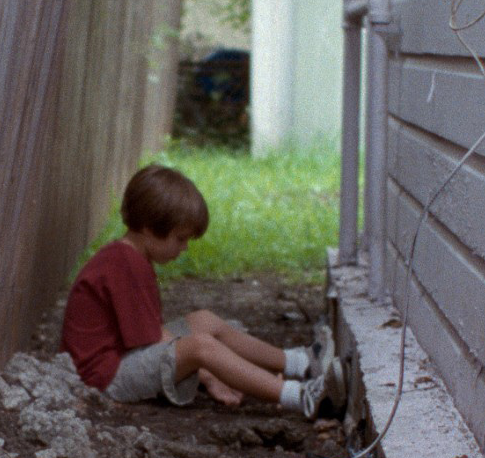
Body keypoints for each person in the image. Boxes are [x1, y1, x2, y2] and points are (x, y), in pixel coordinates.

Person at [61, 165, 336, 416]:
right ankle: (300, 397)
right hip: (104, 378)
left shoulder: (127, 256)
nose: (184, 248)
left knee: (204, 321)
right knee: (201, 347)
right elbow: (156, 341)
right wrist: (210, 376)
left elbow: (150, 336)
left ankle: (300, 363)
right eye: (180, 239)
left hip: (119, 358)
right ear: (148, 228)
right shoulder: (125, 264)